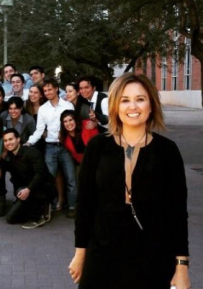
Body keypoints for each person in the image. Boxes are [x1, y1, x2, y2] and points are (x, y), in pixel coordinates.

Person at [69, 73, 190, 289]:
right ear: (115, 106)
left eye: (140, 99)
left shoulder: (167, 151)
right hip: (102, 253)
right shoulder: (98, 146)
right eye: (125, 100)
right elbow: (85, 203)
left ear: (151, 105)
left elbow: (177, 212)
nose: (132, 106)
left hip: (153, 255)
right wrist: (80, 253)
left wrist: (181, 266)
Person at [26, 78, 77, 218]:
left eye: (50, 89)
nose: (47, 92)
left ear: (56, 89)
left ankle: (72, 206)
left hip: (66, 146)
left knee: (71, 178)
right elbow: (39, 130)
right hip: (50, 147)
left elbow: (73, 126)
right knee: (49, 179)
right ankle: (50, 205)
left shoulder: (68, 105)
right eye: (45, 90)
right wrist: (29, 142)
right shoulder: (43, 109)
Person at [0, 129, 56, 229]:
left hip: (43, 188)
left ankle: (38, 217)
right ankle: (39, 208)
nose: (8, 143)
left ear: (18, 139)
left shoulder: (32, 152)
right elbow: (11, 168)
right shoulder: (12, 155)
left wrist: (28, 189)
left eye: (10, 139)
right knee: (11, 219)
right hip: (26, 189)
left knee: (23, 196)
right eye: (5, 141)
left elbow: (41, 174)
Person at [59, 110, 98, 182]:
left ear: (75, 120)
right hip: (83, 164)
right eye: (65, 121)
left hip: (98, 162)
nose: (68, 123)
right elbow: (75, 155)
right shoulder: (64, 138)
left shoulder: (87, 125)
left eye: (70, 120)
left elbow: (99, 145)